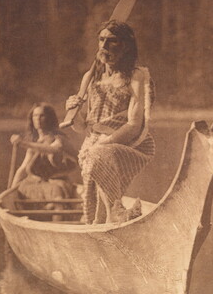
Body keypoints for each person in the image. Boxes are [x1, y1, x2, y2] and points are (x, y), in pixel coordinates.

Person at [65, 20, 155, 224]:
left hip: (127, 142)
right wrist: (73, 111)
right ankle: (112, 217)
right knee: (94, 214)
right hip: (92, 146)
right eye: (101, 40)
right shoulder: (90, 77)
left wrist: (103, 145)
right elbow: (82, 128)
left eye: (112, 41)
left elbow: (133, 124)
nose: (104, 46)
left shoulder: (136, 76)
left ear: (125, 46)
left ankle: (117, 209)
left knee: (98, 155)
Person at [10, 103, 80, 201]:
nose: (38, 119)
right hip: (40, 185)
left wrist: (23, 144)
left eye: (42, 115)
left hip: (59, 184)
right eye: (35, 115)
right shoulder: (35, 142)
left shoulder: (59, 138)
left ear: (49, 118)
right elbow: (23, 169)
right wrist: (10, 192)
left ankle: (57, 212)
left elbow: (52, 149)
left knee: (56, 191)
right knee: (23, 188)